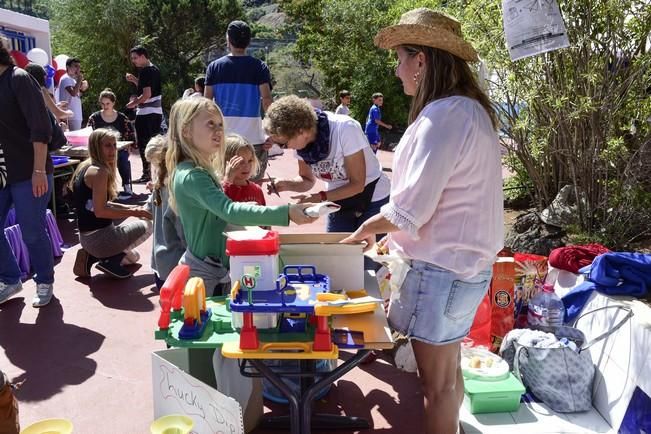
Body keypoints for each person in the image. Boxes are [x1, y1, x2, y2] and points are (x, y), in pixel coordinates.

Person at [342, 9, 504, 434]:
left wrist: (364, 230)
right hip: (462, 269)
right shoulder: (470, 112)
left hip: (439, 273)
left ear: (422, 60)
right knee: (448, 380)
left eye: (400, 58)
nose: (397, 72)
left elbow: (411, 208)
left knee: (435, 385)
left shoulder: (445, 115)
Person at [165, 97, 316, 296]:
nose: (218, 131)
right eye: (210, 124)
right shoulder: (192, 175)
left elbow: (218, 218)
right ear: (186, 131)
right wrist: (287, 213)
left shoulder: (198, 170)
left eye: (220, 124)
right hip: (205, 279)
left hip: (218, 269)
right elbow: (229, 211)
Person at [263, 95, 391, 237]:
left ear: (301, 131)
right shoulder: (301, 145)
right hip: (337, 200)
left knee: (369, 256)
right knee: (337, 254)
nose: (283, 148)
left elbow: (357, 184)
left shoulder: (345, 129)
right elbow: (307, 179)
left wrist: (319, 197)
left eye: (283, 144)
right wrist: (286, 184)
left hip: (372, 197)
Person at [0, 36, 56, 307]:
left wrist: (37, 170)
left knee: (31, 230)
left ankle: (44, 280)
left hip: (28, 170)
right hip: (3, 173)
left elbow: (40, 129)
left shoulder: (19, 78)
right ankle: (10, 279)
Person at [70, 129, 152, 279]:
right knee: (148, 225)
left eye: (114, 145)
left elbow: (101, 204)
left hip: (86, 239)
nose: (113, 150)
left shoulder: (85, 166)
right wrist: (135, 212)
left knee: (134, 258)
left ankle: (94, 256)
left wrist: (131, 208)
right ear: (95, 147)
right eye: (107, 145)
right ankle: (108, 259)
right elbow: (101, 211)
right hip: (101, 239)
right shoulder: (99, 172)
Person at [204, 20, 273, 182]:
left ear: (228, 39)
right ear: (249, 41)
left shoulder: (214, 67)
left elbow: (206, 104)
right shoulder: (260, 67)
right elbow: (267, 101)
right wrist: (272, 134)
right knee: (253, 189)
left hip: (223, 141)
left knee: (224, 188)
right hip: (254, 140)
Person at [144, 135, 186, 289]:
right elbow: (183, 231)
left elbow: (148, 210)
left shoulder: (158, 186)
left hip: (159, 261)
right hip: (175, 263)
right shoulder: (175, 189)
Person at [87, 88, 135, 199]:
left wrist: (128, 145)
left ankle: (126, 186)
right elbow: (88, 134)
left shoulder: (122, 118)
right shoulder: (94, 118)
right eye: (103, 104)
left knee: (122, 157)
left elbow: (130, 135)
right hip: (99, 151)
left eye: (108, 103)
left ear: (113, 103)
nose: (105, 106)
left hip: (119, 149)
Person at [126, 46, 163, 183]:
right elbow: (148, 89)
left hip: (146, 113)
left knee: (144, 144)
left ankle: (146, 174)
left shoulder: (146, 71)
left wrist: (133, 104)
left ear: (143, 56)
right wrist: (135, 80)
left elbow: (146, 95)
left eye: (135, 58)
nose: (134, 61)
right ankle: (158, 173)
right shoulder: (155, 69)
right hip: (156, 112)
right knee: (155, 143)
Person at [221, 134, 265, 206]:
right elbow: (220, 208)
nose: (247, 166)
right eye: (240, 162)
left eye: (250, 160)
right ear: (225, 161)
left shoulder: (257, 190)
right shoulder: (215, 187)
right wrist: (228, 181)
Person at [57, 57, 88, 131]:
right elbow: (73, 93)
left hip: (76, 115)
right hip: (69, 115)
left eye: (79, 66)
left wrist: (83, 84)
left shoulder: (73, 80)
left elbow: (79, 93)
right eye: (75, 66)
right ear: (68, 67)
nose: (78, 69)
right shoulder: (65, 78)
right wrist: (80, 80)